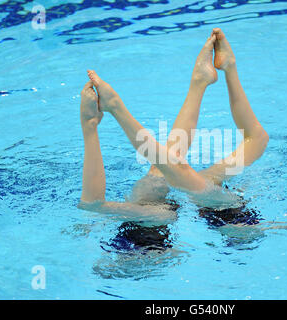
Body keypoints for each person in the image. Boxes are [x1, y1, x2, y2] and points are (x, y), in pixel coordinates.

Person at [77, 28, 269, 225]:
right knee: (167, 169)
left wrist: (89, 125)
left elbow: (92, 205)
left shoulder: (160, 214)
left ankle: (196, 82)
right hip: (228, 212)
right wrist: (230, 67)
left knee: (163, 171)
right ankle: (203, 79)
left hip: (222, 213)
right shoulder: (162, 213)